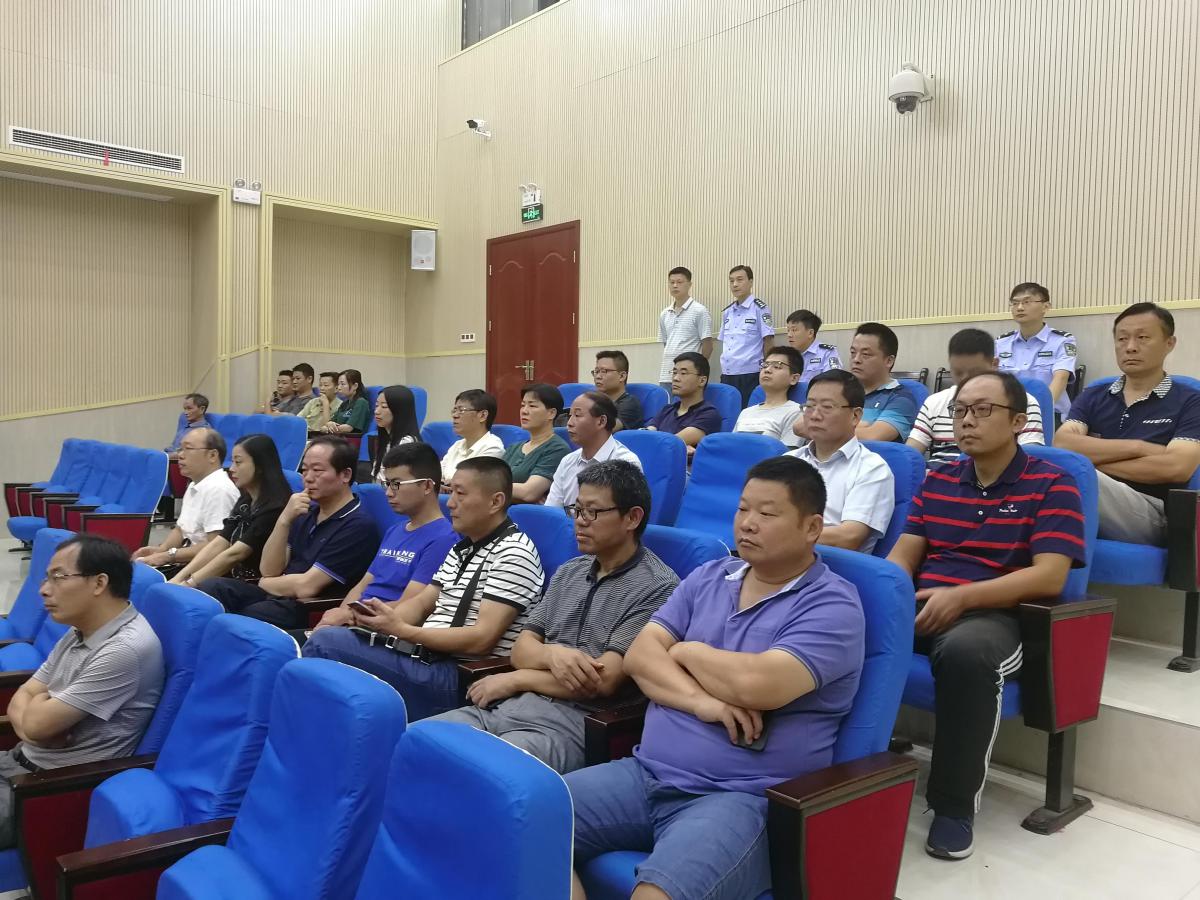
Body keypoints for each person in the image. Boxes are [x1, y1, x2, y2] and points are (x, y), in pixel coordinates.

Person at [565, 456, 865, 900]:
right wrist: (702, 703)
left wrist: (686, 650)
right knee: (522, 822)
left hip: (737, 799)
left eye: (767, 513)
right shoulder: (709, 576)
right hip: (646, 773)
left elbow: (759, 685)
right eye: (743, 508)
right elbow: (641, 657)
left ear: (812, 527)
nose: (748, 523)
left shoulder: (832, 605)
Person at [889, 372, 1086, 860]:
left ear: (1018, 422)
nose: (967, 421)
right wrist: (888, 598)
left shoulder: (1053, 483)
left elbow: (1050, 577)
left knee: (967, 653)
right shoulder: (938, 479)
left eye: (982, 410)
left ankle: (953, 807)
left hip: (999, 616)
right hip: (927, 601)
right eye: (959, 411)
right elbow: (903, 557)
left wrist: (963, 598)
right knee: (841, 620)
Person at [429, 461, 678, 773]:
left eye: (592, 512)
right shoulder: (569, 571)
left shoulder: (658, 587)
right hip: (509, 707)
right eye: (576, 509)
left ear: (632, 517)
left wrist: (517, 678)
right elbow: (521, 650)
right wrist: (553, 654)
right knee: (415, 742)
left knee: (476, 771)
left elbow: (603, 680)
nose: (579, 522)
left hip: (571, 723)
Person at [304, 457, 544, 720]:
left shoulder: (514, 553)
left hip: (459, 676)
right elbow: (421, 604)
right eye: (451, 492)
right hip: (423, 656)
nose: (450, 503)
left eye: (460, 494)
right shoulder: (463, 548)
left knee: (326, 644)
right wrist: (378, 620)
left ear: (495, 501)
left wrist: (402, 630)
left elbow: (481, 639)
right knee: (334, 634)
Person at [1, 535, 163, 849]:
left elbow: (36, 723)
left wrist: (35, 714)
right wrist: (35, 717)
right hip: (18, 762)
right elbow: (23, 697)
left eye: (58, 577)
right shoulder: (80, 630)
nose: (43, 589)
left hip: (44, 791)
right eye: (46, 578)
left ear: (99, 583)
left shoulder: (125, 648)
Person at [197, 436, 380, 629]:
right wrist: (284, 520)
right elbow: (269, 570)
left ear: (345, 475)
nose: (308, 478)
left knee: (242, 618)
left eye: (317, 470)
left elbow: (306, 586)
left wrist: (265, 583)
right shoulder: (305, 512)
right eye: (304, 470)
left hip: (307, 607)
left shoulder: (358, 526)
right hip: (278, 595)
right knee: (212, 587)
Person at [1055, 302, 1200, 545]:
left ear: (1169, 343)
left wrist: (1089, 462)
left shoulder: (1190, 400)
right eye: (1122, 339)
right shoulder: (1093, 395)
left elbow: (1176, 467)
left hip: (1151, 513)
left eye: (1142, 338)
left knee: (1073, 474)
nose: (1130, 347)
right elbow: (1063, 443)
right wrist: (1139, 447)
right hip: (1088, 498)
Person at [305, 442, 458, 631]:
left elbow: (409, 605)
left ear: (427, 486)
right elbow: (362, 586)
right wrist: (337, 618)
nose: (388, 493)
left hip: (381, 631)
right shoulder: (394, 530)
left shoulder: (443, 539)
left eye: (396, 484)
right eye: (387, 484)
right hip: (354, 625)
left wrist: (350, 616)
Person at [787, 369, 895, 553]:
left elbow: (849, 538)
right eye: (810, 406)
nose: (814, 415)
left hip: (829, 566)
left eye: (827, 407)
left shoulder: (872, 469)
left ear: (855, 416)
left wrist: (780, 535)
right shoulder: (789, 461)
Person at [169, 433, 293, 587]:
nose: (232, 469)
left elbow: (235, 554)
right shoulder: (246, 500)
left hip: (256, 585)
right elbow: (220, 542)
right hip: (232, 578)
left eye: (238, 462)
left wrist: (189, 584)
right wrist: (179, 578)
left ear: (260, 465)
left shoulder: (274, 507)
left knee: (207, 586)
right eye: (232, 461)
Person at [908, 329, 1045, 466]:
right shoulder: (934, 402)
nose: (965, 380)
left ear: (994, 364)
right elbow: (909, 456)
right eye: (958, 373)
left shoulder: (1022, 403)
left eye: (975, 372)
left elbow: (1029, 461)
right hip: (937, 474)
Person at [133, 428, 239, 574]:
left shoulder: (219, 490)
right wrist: (160, 550)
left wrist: (168, 556)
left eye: (188, 449)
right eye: (180, 449)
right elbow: (180, 529)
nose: (180, 455)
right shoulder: (195, 484)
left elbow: (215, 547)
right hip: (186, 562)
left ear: (212, 455)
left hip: (206, 571)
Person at [546, 392, 643, 510]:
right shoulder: (567, 461)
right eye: (570, 416)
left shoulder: (626, 464)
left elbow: (623, 516)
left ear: (601, 421)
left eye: (577, 415)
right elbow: (552, 512)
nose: (569, 423)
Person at [996, 283, 1077, 420]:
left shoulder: (1062, 341)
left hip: (1050, 414)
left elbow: (1061, 378)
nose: (1019, 308)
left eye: (1026, 302)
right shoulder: (1001, 343)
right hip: (1010, 416)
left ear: (1046, 307)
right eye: (1015, 303)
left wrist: (1035, 413)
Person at [847, 322, 918, 442]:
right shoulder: (841, 392)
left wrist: (828, 429)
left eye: (865, 354)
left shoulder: (901, 399)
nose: (856, 359)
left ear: (889, 361)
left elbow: (873, 437)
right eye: (853, 353)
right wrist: (860, 427)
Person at [718, 265, 776, 407]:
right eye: (731, 281)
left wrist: (767, 369)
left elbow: (768, 341)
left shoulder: (760, 308)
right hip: (727, 373)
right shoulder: (727, 312)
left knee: (748, 412)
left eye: (739, 280)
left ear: (750, 282)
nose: (735, 284)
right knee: (729, 412)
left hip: (750, 374)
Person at [647, 352, 723, 461]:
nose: (675, 378)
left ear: (702, 380)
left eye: (683, 373)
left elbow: (670, 443)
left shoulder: (709, 414)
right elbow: (646, 435)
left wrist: (674, 445)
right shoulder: (667, 409)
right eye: (674, 372)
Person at [505, 383, 571, 504]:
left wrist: (487, 488)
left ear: (551, 413)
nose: (524, 411)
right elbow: (492, 478)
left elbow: (528, 493)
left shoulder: (557, 449)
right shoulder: (513, 448)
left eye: (532, 406)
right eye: (522, 405)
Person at [733, 345, 804, 448]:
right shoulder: (745, 412)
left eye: (777, 366)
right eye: (765, 366)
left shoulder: (796, 412)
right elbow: (731, 447)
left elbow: (788, 454)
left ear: (794, 379)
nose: (767, 370)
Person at [658, 266, 713, 392]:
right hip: (666, 374)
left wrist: (698, 371)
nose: (675, 285)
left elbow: (708, 346)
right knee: (666, 404)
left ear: (689, 284)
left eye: (679, 282)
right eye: (672, 282)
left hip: (688, 376)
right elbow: (666, 344)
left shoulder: (700, 311)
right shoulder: (664, 313)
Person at [558, 350, 642, 431]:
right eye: (596, 371)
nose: (598, 376)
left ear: (622, 376)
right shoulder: (592, 400)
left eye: (604, 371)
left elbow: (603, 429)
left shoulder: (630, 404)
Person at [441, 389, 506, 488]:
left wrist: (449, 483)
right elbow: (438, 473)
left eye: (461, 410)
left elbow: (472, 483)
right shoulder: (457, 445)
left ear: (482, 416)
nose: (455, 415)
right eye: (454, 410)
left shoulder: (493, 448)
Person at [371, 385, 422, 485]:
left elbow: (398, 484)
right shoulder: (386, 439)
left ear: (400, 410)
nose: (376, 411)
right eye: (376, 405)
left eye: (384, 407)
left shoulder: (406, 443)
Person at [785, 309, 842, 383]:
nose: (789, 335)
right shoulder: (787, 356)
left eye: (794, 330)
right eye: (788, 330)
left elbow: (833, 381)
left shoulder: (827, 353)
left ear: (810, 333)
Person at [323, 368, 371, 435]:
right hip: (338, 437)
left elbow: (348, 428)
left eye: (342, 384)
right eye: (338, 384)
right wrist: (329, 424)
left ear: (355, 386)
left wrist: (330, 427)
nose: (339, 388)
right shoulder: (344, 403)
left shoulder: (361, 403)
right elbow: (326, 425)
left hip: (352, 439)